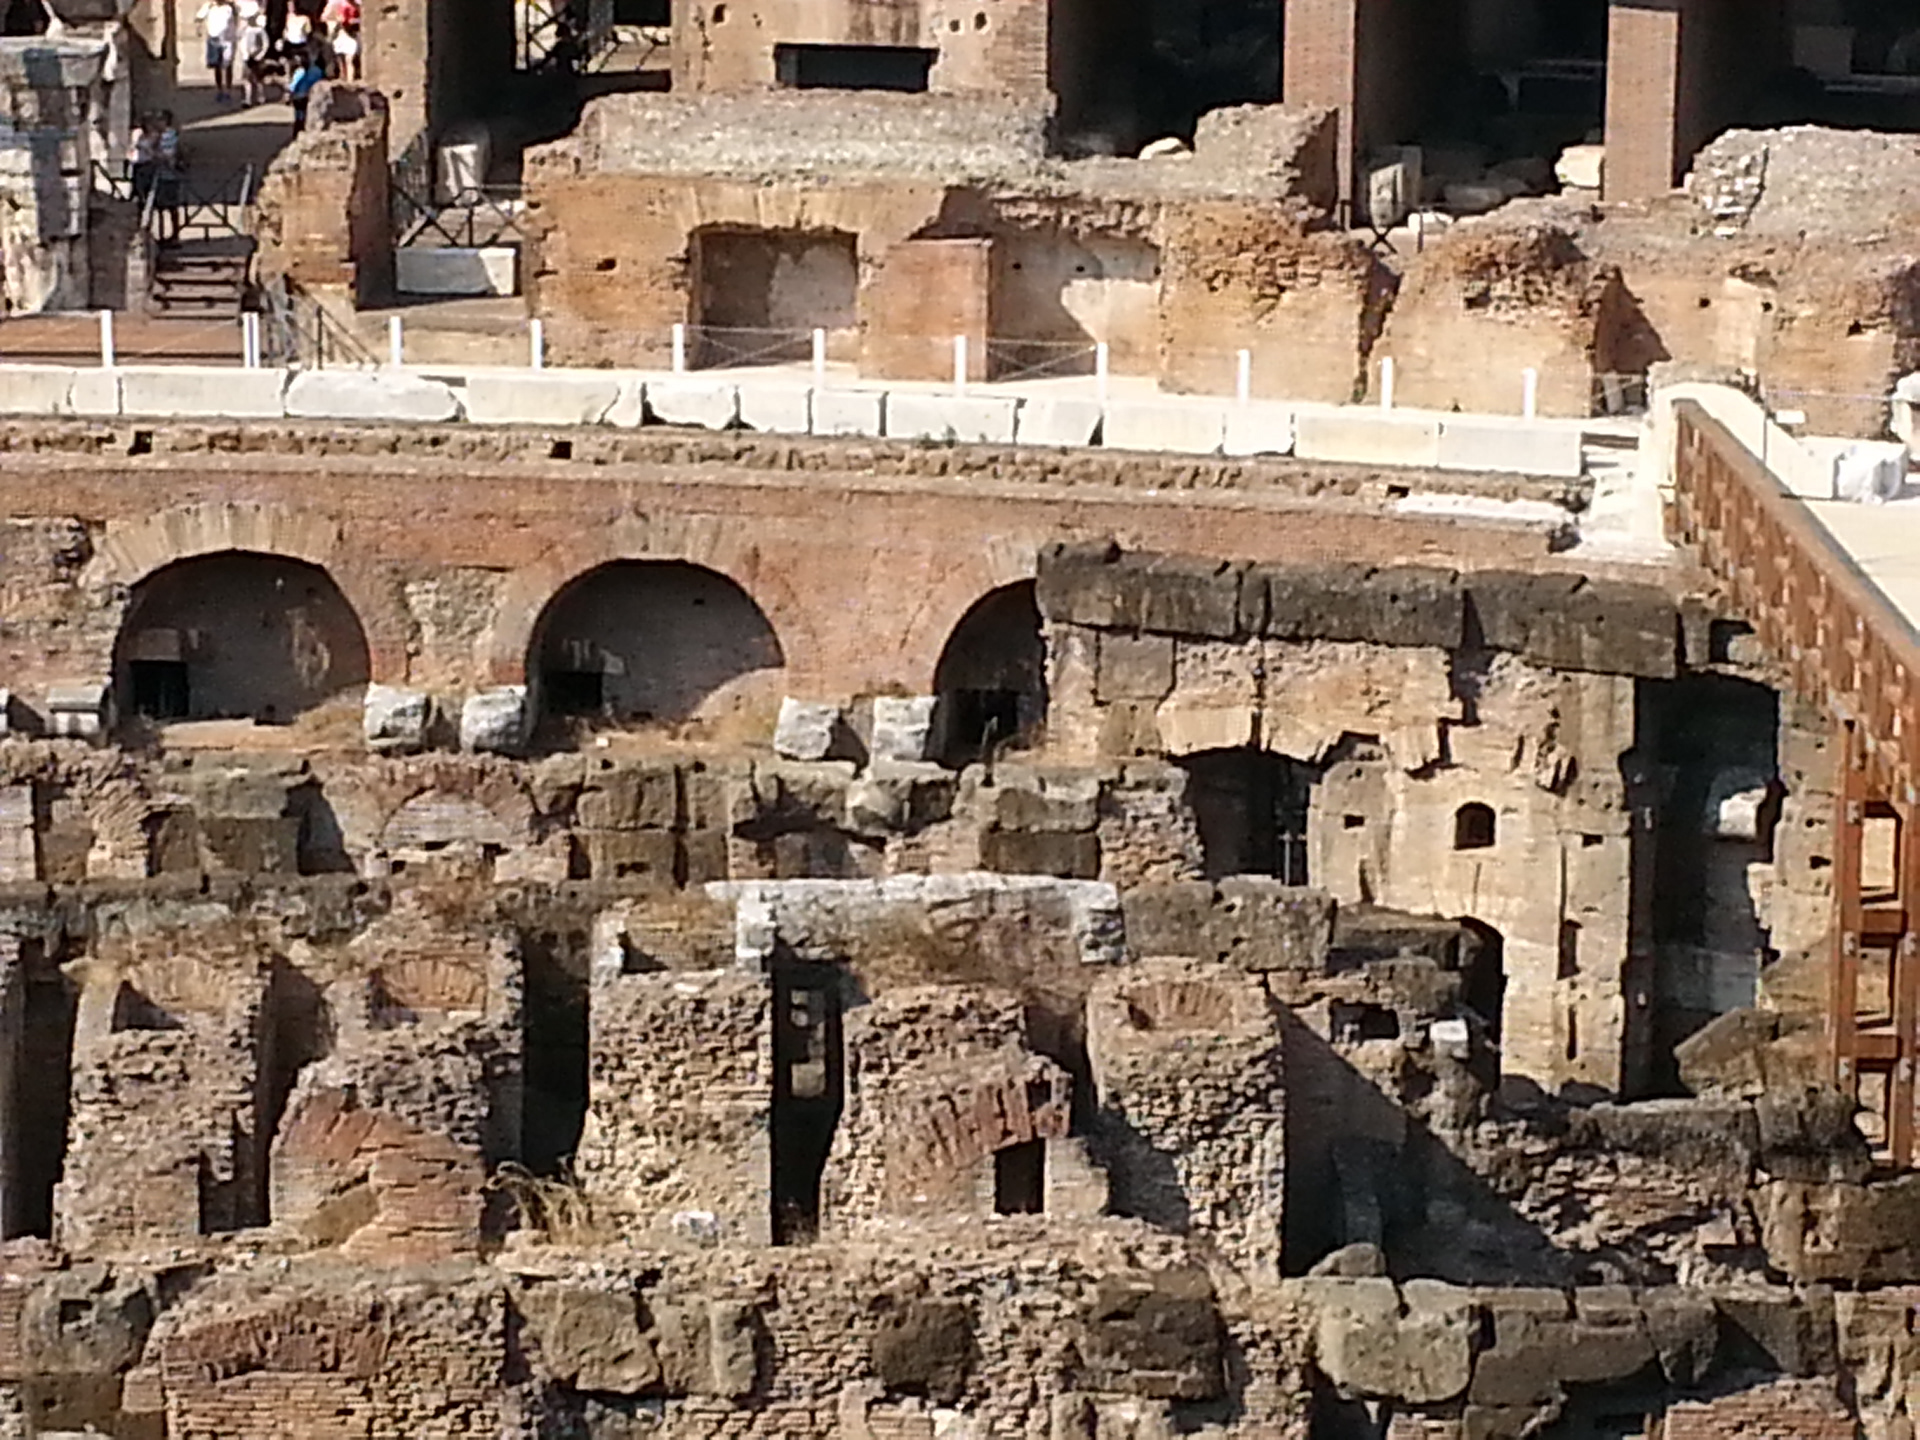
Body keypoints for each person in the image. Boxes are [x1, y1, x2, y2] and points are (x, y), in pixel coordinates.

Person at [196, 0, 237, 101]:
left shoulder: (230, 7)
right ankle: (219, 90)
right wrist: (199, 29)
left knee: (227, 65)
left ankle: (228, 90)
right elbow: (199, 18)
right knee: (216, 65)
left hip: (228, 40)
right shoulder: (209, 6)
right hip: (214, 39)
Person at [239, 9, 271, 104]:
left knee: (258, 78)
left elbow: (265, 44)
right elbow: (242, 43)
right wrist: (245, 54)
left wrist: (260, 55)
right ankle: (248, 99)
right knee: (247, 79)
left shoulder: (259, 30)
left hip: (257, 57)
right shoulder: (244, 31)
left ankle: (261, 96)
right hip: (246, 57)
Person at [287, 49, 321, 132]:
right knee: (304, 113)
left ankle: (298, 129)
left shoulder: (299, 71)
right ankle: (302, 128)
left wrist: (290, 93)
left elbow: (293, 85)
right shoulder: (316, 71)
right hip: (308, 95)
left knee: (299, 114)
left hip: (299, 95)